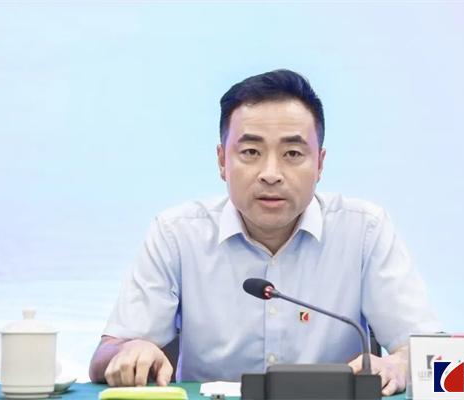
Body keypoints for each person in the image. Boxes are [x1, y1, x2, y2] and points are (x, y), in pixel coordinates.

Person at [89, 69, 440, 396]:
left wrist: (398, 364)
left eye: (292, 153)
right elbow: (105, 356)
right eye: (251, 152)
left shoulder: (364, 231)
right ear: (222, 161)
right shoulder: (177, 235)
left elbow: (430, 352)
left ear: (320, 163)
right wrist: (130, 350)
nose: (271, 173)